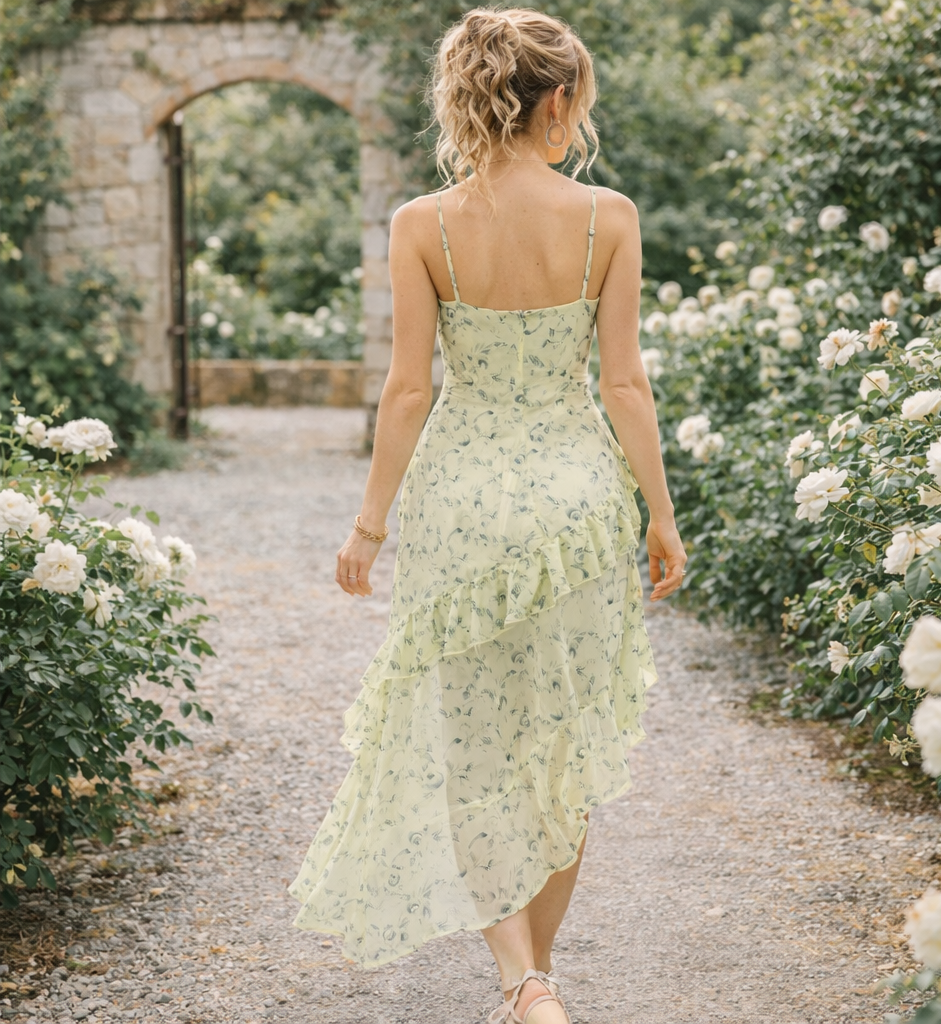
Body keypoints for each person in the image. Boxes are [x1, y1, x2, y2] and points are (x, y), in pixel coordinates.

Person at [287, 8, 687, 1023]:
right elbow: (624, 385)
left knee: (470, 745)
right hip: (575, 505)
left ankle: (521, 979)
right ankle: (533, 982)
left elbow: (406, 389)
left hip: (460, 504)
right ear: (558, 99)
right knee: (561, 743)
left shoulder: (422, 224)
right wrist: (661, 514)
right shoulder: (607, 217)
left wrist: (369, 526)